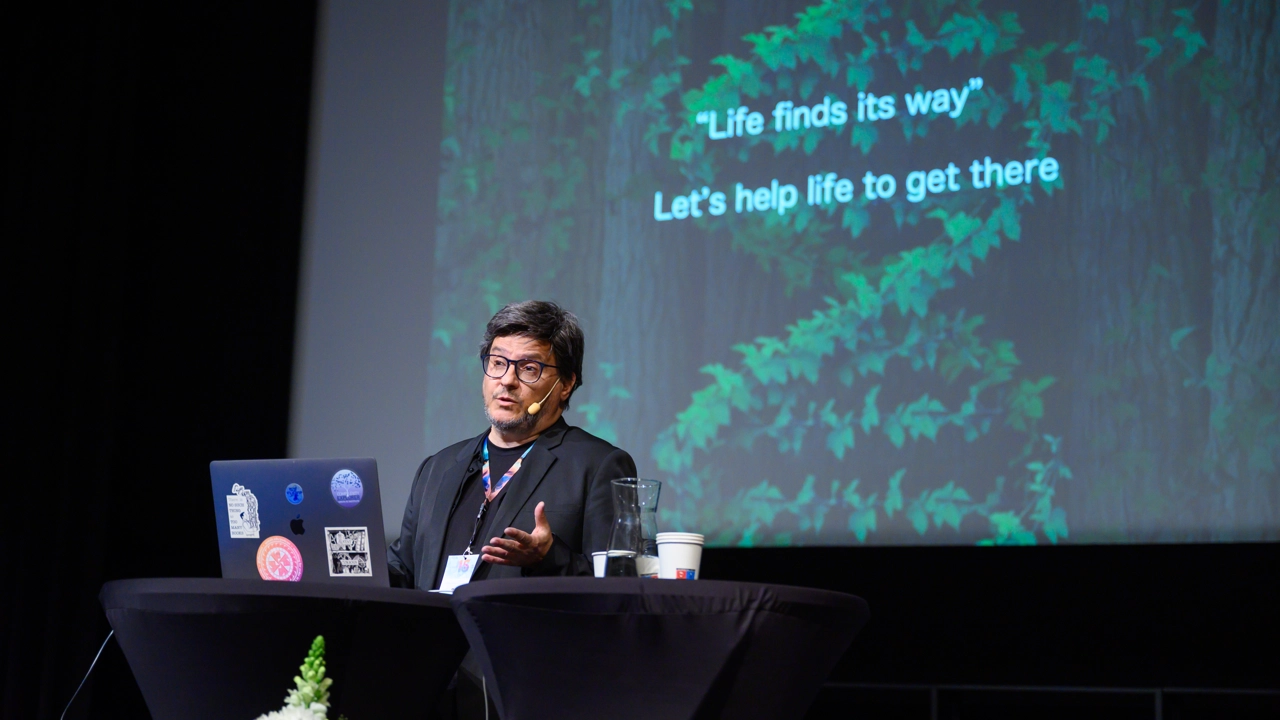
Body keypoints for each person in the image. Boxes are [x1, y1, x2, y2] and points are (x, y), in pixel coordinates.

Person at [388, 300, 637, 590]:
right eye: (498, 363)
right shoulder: (437, 468)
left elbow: (619, 587)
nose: (506, 380)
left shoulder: (597, 466)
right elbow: (403, 571)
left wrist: (549, 558)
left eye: (529, 368)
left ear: (566, 384)